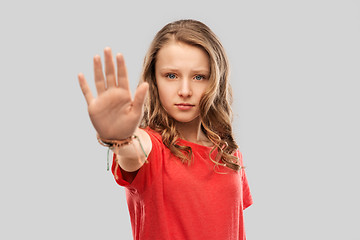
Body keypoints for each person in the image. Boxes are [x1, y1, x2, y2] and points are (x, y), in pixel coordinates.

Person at [78, 19, 252, 240]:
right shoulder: (151, 148)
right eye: (171, 76)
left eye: (199, 77)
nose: (185, 90)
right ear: (154, 80)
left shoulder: (229, 153)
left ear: (215, 81)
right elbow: (133, 150)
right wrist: (119, 138)